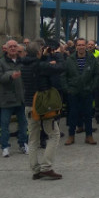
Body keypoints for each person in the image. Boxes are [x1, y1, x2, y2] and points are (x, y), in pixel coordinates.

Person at [25, 42, 64, 179]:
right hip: (42, 105)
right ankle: (46, 167)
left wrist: (43, 56)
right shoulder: (40, 66)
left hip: (28, 104)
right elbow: (60, 68)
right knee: (54, 134)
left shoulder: (23, 64)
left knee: (33, 138)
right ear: (38, 52)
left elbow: (36, 65)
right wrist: (58, 54)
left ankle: (35, 170)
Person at [0, 39, 28, 157]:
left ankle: (23, 144)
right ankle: (5, 147)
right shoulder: (1, 62)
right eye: (10, 47)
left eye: (14, 46)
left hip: (20, 98)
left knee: (23, 123)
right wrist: (10, 76)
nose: (13, 48)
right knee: (5, 124)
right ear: (6, 49)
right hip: (6, 98)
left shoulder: (22, 61)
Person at [62, 38, 99, 145]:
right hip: (73, 91)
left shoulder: (92, 59)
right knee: (73, 115)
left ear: (86, 46)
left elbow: (97, 74)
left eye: (83, 45)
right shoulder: (70, 59)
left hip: (87, 91)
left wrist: (92, 87)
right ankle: (71, 136)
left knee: (88, 115)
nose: (81, 47)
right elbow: (63, 75)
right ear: (76, 46)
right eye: (79, 45)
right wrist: (67, 89)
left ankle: (89, 136)